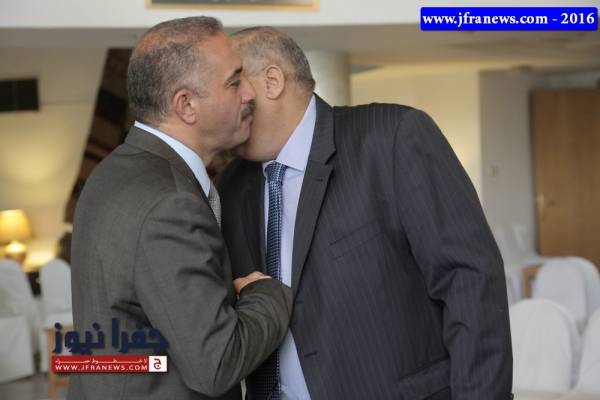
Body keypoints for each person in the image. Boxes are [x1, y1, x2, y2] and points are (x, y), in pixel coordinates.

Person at [219, 27, 513, 400]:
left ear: (272, 81)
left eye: (231, 85)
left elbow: (470, 281)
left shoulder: (391, 138)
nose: (221, 104)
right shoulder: (231, 184)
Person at [69, 17, 293, 400]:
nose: (249, 93)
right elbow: (216, 364)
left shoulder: (115, 168)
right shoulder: (170, 203)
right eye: (234, 82)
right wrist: (268, 294)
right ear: (186, 105)